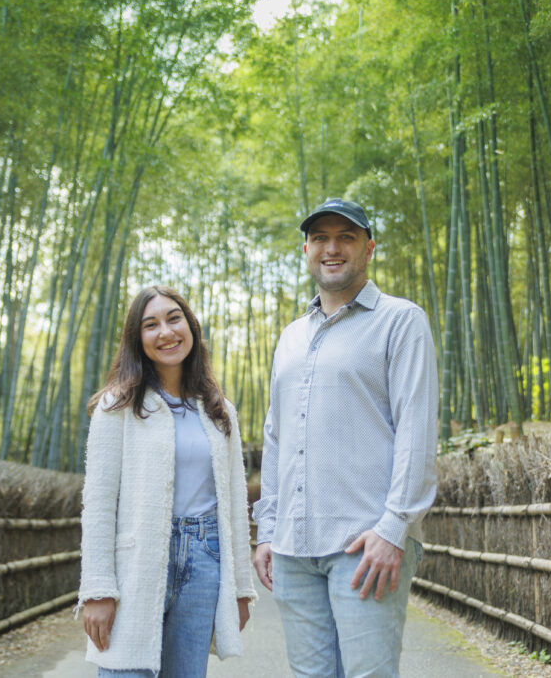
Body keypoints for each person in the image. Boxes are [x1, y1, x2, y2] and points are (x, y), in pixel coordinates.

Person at [253, 198, 439, 677]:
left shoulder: (401, 321)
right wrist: (268, 530)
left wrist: (394, 528)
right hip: (293, 549)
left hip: (366, 543)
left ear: (369, 248)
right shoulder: (291, 336)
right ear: (307, 249)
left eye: (346, 237)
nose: (332, 248)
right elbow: (275, 437)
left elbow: (417, 433)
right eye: (321, 238)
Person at [77, 285, 257, 677]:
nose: (166, 332)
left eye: (174, 319)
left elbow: (234, 505)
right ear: (137, 339)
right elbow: (100, 503)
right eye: (150, 324)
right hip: (136, 560)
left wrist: (242, 588)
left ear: (190, 325)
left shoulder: (218, 410)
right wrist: (97, 589)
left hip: (204, 559)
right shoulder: (117, 405)